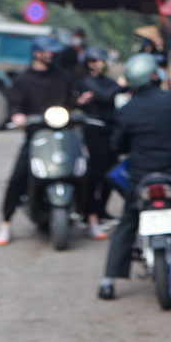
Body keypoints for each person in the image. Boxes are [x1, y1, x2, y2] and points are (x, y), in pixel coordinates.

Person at [97, 53, 171, 300]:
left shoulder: (127, 110)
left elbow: (117, 145)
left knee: (128, 220)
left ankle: (108, 281)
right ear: (153, 75)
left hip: (141, 177)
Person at [0, 36, 75, 246]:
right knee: (17, 177)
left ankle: (90, 218)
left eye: (53, 51)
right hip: (36, 136)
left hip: (62, 134)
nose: (52, 54)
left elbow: (72, 101)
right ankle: (5, 223)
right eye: (47, 51)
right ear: (37, 53)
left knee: (83, 169)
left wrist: (81, 105)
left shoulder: (63, 77)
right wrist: (17, 116)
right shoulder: (23, 79)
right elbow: (15, 104)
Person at [74, 47, 123, 238]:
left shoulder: (108, 82)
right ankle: (89, 213)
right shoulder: (85, 82)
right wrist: (121, 85)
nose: (105, 64)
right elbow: (107, 96)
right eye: (102, 61)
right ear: (91, 63)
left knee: (110, 174)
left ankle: (102, 210)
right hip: (95, 133)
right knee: (96, 174)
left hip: (110, 131)